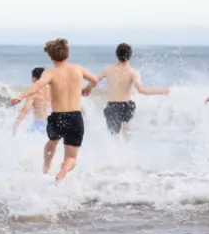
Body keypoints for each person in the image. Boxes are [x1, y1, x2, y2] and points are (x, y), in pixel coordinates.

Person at [11, 39, 99, 181]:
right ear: (67, 54)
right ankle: (64, 168)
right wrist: (88, 88)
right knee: (71, 157)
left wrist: (21, 96)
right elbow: (95, 79)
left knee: (51, 143)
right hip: (75, 117)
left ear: (51, 57)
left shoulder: (50, 72)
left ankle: (46, 169)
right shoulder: (78, 69)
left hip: (57, 118)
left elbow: (38, 85)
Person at [82, 43, 169, 138]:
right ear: (130, 56)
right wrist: (161, 91)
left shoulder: (108, 69)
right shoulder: (133, 72)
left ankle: (114, 152)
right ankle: (125, 152)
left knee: (113, 137)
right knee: (126, 136)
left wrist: (87, 88)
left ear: (117, 55)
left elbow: (95, 80)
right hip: (126, 106)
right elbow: (141, 90)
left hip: (112, 106)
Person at [12, 67, 51, 136]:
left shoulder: (34, 93)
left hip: (39, 124)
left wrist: (15, 126)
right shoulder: (50, 91)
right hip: (51, 124)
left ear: (34, 78)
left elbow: (24, 111)